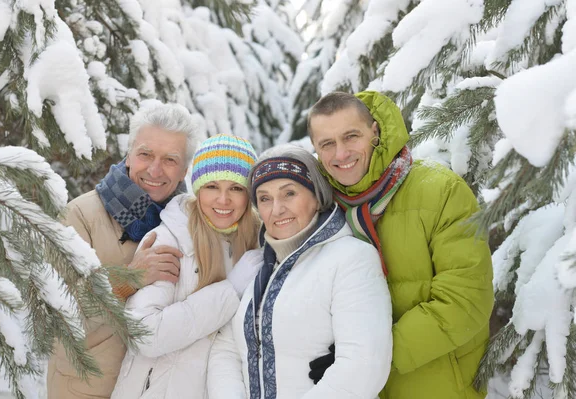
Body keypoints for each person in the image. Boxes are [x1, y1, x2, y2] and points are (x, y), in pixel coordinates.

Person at [307, 91, 494, 399]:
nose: (340, 154)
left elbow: (465, 302)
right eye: (327, 143)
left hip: (437, 384)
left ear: (375, 132)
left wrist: (367, 357)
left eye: (351, 136)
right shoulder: (324, 209)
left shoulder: (440, 191)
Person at [207, 145, 392, 398]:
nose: (276, 209)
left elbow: (364, 365)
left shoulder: (351, 258)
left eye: (289, 193)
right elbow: (226, 349)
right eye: (264, 198)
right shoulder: (257, 267)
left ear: (317, 196)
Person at [47, 102, 198, 398]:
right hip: (88, 390)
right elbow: (54, 315)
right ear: (129, 155)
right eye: (145, 154)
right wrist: (127, 279)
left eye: (170, 159)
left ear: (184, 171)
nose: (155, 169)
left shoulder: (191, 226)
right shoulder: (79, 216)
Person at [111, 134, 263, 399]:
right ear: (197, 189)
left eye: (236, 188)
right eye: (212, 186)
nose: (223, 200)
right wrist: (230, 290)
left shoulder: (257, 245)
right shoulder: (169, 238)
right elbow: (146, 334)